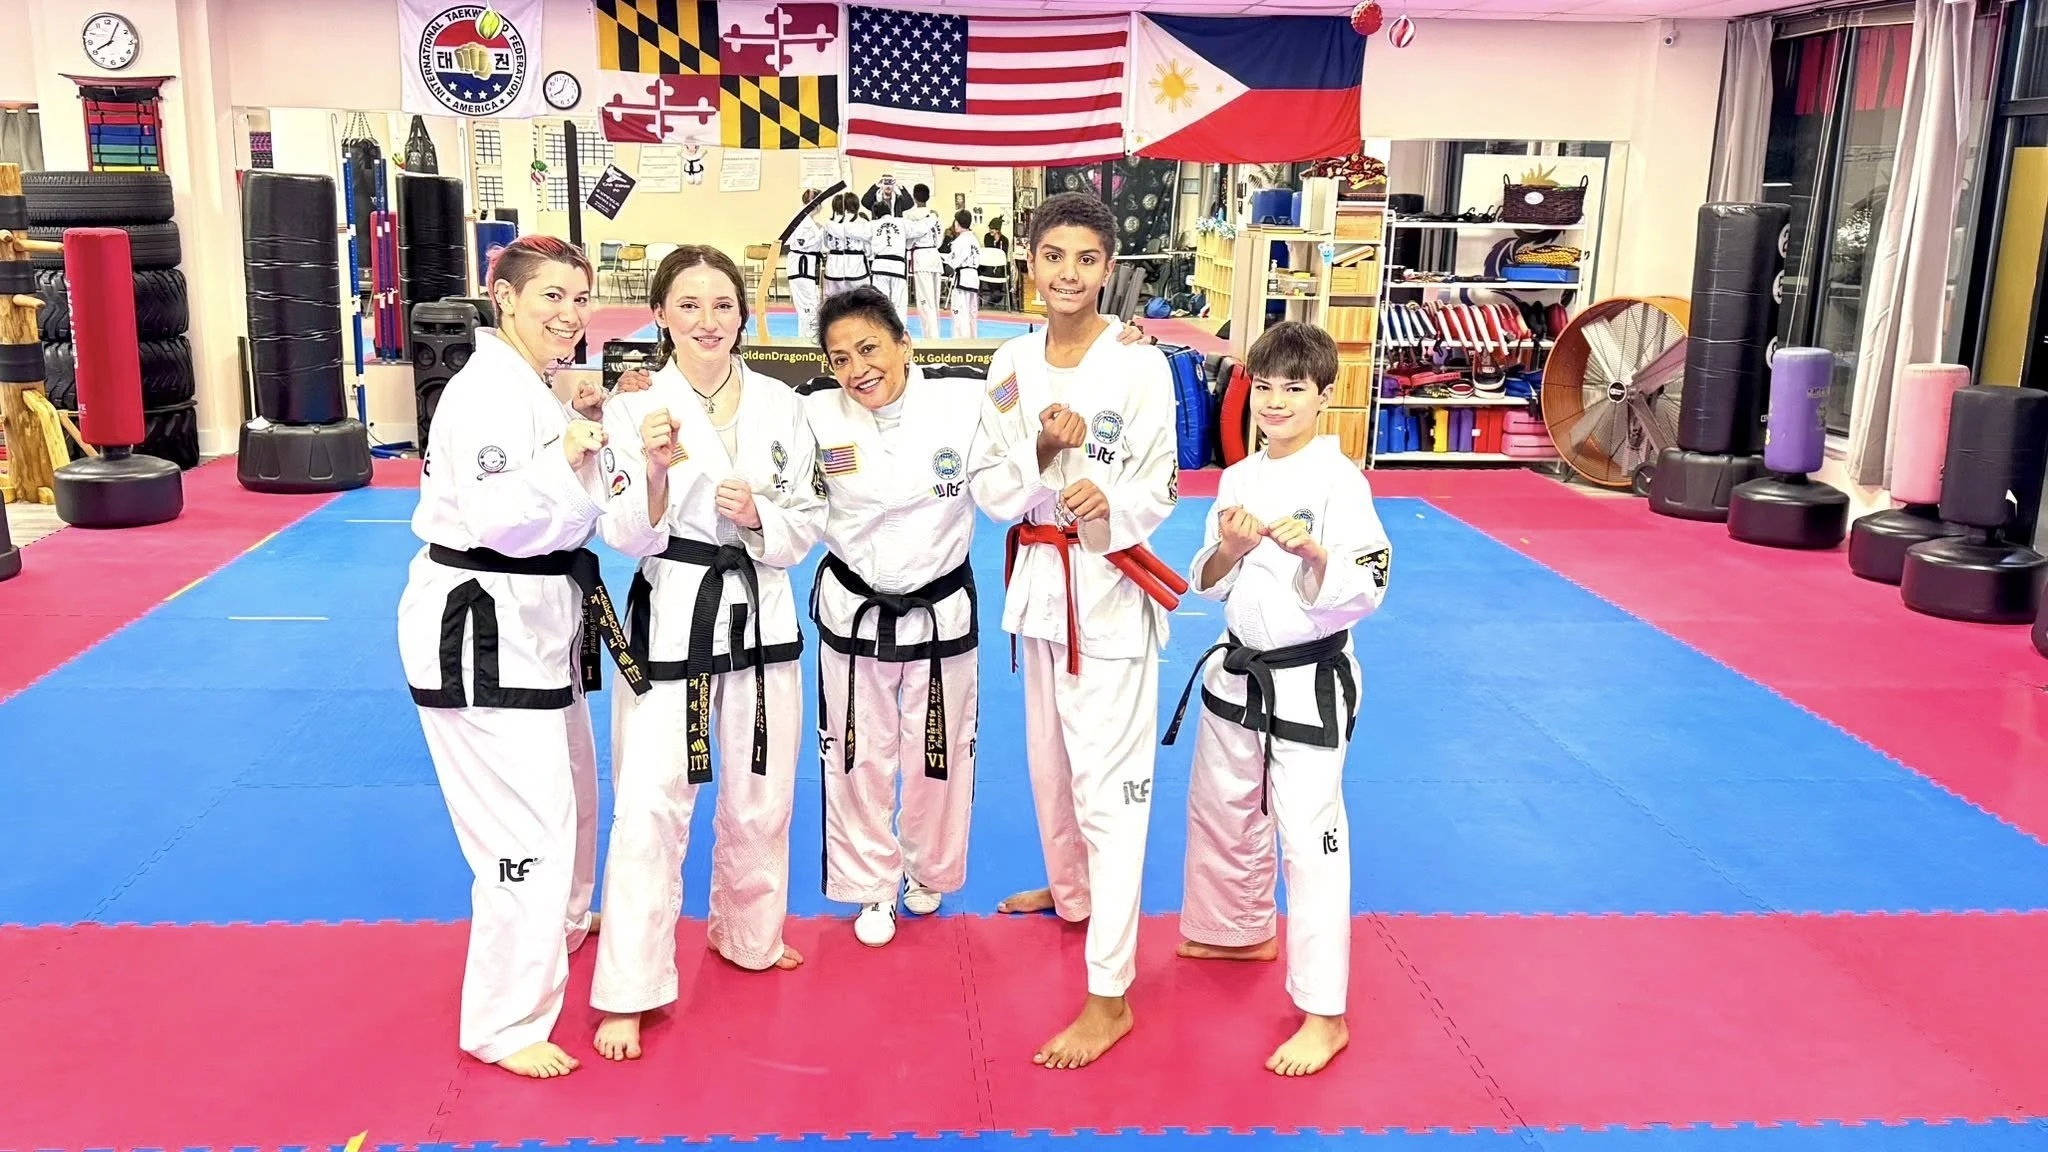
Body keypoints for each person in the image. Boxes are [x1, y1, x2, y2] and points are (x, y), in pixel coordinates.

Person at [397, 235, 647, 1080]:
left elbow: (572, 504)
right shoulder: (482, 398)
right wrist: (576, 456)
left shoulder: (529, 385)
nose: (570, 315)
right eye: (549, 297)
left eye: (579, 298)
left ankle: (564, 922)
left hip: (536, 619)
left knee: (572, 791)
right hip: (483, 630)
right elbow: (505, 522)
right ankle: (502, 1023)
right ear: (501, 299)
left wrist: (592, 438)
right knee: (525, 830)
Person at [588, 244, 826, 1062]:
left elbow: (810, 514)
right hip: (675, 617)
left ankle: (750, 933)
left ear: (742, 314)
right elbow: (622, 533)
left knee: (762, 791)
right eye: (688, 305)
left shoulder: (782, 405)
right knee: (654, 800)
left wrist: (761, 519)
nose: (707, 321)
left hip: (760, 612)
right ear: (660, 316)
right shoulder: (633, 410)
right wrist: (654, 475)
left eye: (721, 304)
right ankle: (630, 986)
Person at [971, 191, 1181, 1070]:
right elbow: (988, 486)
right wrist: (1043, 461)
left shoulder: (1140, 365)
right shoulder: (1011, 363)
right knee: (1051, 772)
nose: (1067, 274)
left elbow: (1163, 482)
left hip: (1107, 596)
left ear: (1108, 270)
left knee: (1109, 793)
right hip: (1037, 592)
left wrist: (1108, 505)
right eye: (1052, 255)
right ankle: (1071, 895)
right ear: (1031, 263)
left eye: (1085, 259)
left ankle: (1110, 995)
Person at [1166, 320, 1392, 1078]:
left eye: (1294, 388)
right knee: (1223, 808)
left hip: (1309, 679)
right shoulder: (1239, 477)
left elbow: (1369, 586)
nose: (1275, 400)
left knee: (1310, 837)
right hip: (1239, 673)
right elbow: (1206, 579)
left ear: (1326, 397)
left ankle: (1325, 1013)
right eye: (1264, 386)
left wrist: (1314, 555)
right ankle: (1236, 929)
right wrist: (1229, 549)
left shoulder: (1342, 483)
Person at [786, 185, 829, 340]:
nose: (822, 206)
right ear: (814, 203)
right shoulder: (802, 220)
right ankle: (808, 339)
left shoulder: (806, 220)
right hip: (801, 266)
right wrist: (821, 233)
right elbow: (803, 242)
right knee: (808, 304)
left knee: (810, 303)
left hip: (805, 265)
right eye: (820, 202)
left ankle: (805, 337)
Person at [903, 184, 944, 339]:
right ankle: (935, 335)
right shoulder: (935, 217)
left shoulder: (911, 216)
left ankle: (931, 338)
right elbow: (939, 240)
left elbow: (908, 238)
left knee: (926, 302)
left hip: (921, 257)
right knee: (934, 301)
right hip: (935, 256)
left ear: (914, 197)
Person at [945, 210, 981, 339]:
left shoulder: (960, 241)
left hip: (963, 278)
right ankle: (972, 340)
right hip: (973, 277)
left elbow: (953, 264)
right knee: (972, 312)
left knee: (960, 312)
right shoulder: (974, 239)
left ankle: (961, 342)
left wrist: (945, 264)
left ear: (958, 223)